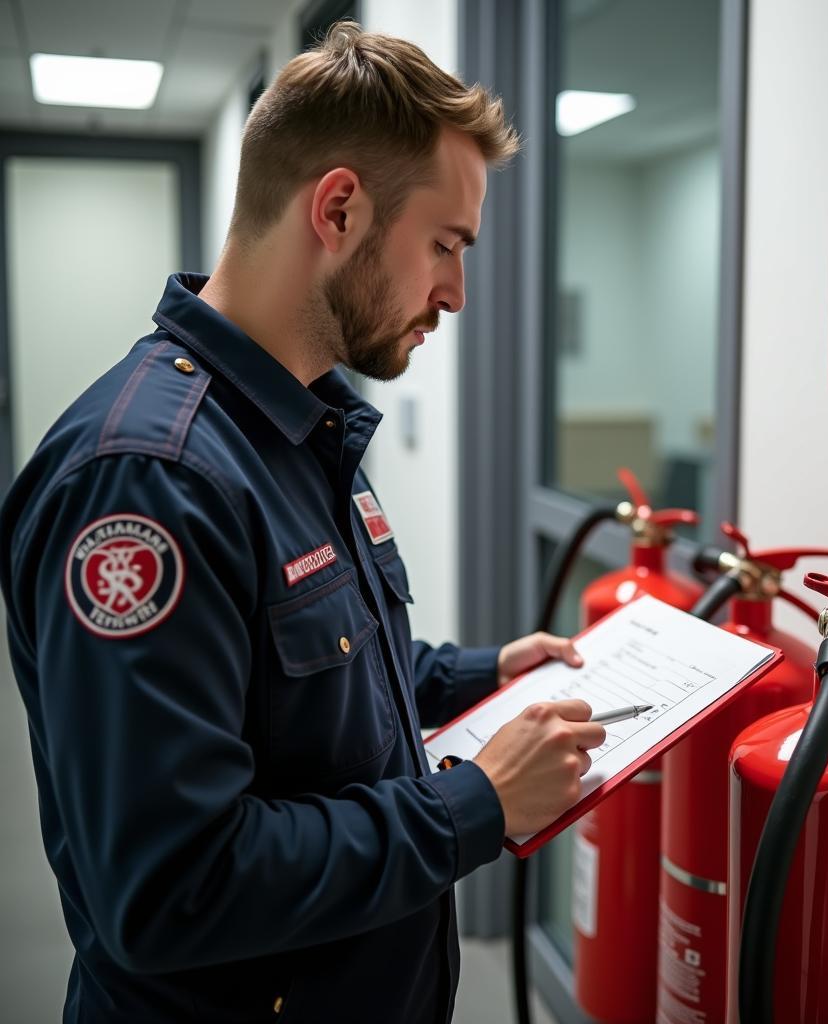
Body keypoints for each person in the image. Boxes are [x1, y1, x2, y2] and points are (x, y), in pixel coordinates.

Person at [0, 22, 606, 1024]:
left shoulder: (290, 427)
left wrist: (478, 674)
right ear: (338, 208)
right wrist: (472, 806)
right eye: (445, 245)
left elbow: (306, 684)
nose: (454, 291)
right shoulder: (148, 485)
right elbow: (171, 884)